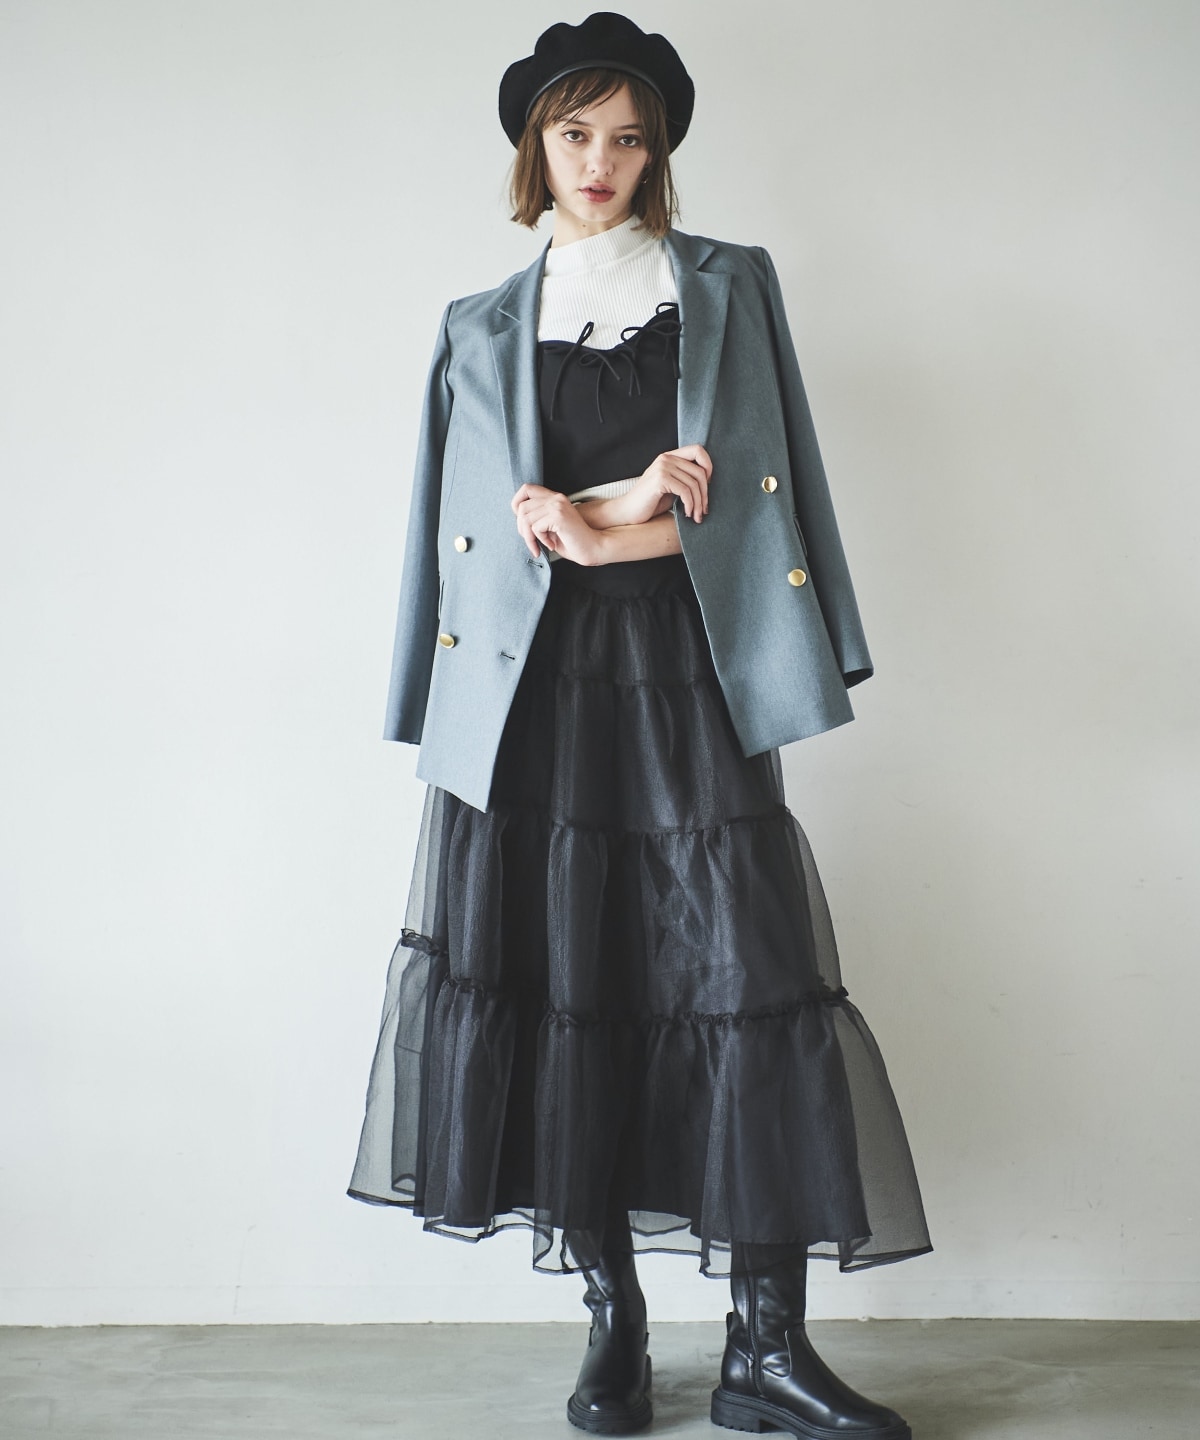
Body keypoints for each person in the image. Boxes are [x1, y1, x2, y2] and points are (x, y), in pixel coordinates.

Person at [348, 13, 931, 1438]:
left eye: (626, 136)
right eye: (574, 133)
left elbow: (757, 492)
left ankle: (765, 1350)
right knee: (570, 983)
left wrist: (606, 529)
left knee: (746, 982)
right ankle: (612, 1324)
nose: (600, 160)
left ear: (657, 149)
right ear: (534, 146)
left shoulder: (727, 286)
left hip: (691, 672)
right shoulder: (479, 326)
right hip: (537, 696)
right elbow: (482, 531)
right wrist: (606, 512)